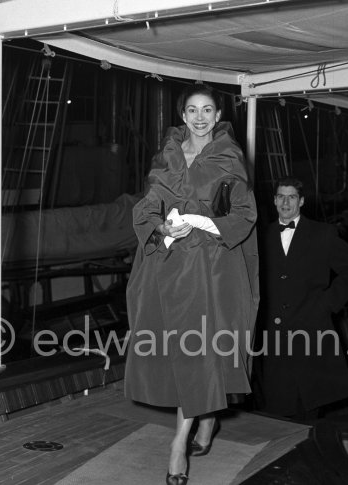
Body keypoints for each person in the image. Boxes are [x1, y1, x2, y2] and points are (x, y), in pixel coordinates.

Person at [124, 83, 259, 485]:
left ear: (218, 116)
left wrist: (203, 222)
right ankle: (209, 417)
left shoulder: (230, 156)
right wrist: (162, 229)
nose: (200, 118)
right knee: (179, 350)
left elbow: (244, 212)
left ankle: (178, 444)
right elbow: (146, 206)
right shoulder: (165, 156)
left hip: (212, 265)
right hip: (167, 263)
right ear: (183, 116)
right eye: (193, 111)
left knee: (200, 350)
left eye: (208, 110)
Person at [254, 176, 348, 421]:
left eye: (291, 197)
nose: (285, 202)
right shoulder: (261, 238)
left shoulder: (322, 234)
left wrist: (326, 304)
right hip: (274, 343)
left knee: (308, 413)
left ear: (301, 201)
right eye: (281, 196)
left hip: (310, 336)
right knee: (275, 414)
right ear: (274, 200)